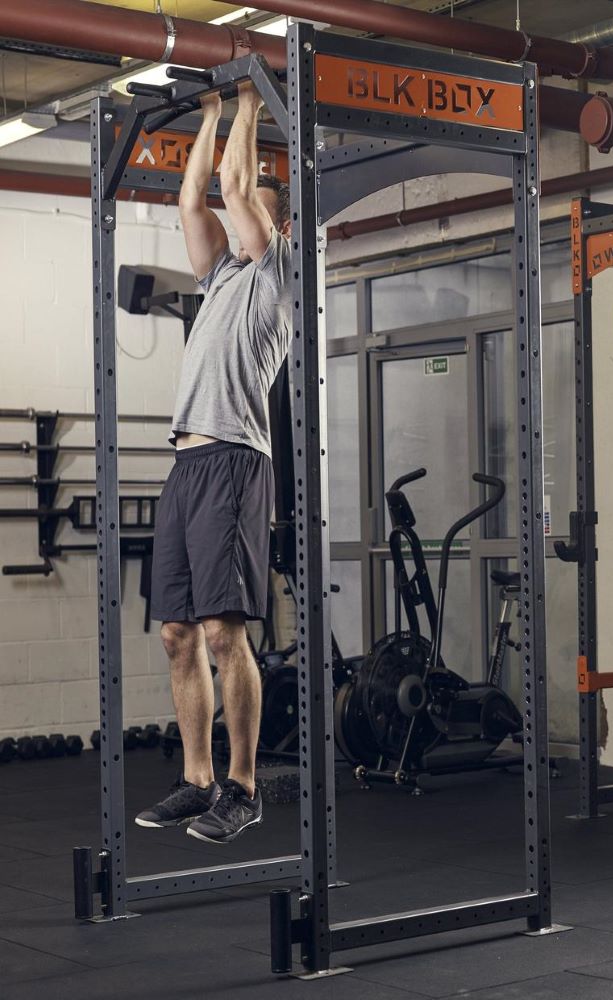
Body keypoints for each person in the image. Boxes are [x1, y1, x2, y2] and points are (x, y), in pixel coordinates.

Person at [135, 81, 292, 844]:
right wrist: (204, 118)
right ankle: (197, 781)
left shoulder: (271, 276)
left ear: (269, 222)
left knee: (226, 632)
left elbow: (232, 187)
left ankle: (243, 786)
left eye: (249, 211)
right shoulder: (221, 274)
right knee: (177, 632)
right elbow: (193, 199)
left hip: (233, 458)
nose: (233, 216)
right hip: (186, 463)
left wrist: (246, 103)